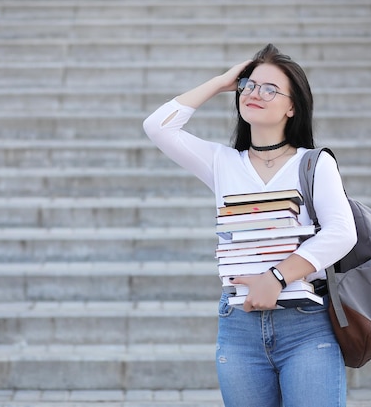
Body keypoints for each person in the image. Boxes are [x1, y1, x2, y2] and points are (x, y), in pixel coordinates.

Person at [143, 44, 357, 407]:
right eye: (249, 85)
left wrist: (275, 277)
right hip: (239, 328)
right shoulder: (223, 163)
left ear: (292, 107)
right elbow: (158, 126)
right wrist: (220, 82)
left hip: (305, 327)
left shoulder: (313, 164)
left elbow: (341, 233)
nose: (255, 93)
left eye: (270, 89)